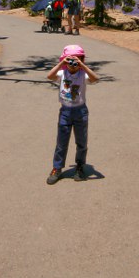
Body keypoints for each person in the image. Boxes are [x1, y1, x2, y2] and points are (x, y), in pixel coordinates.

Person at [46, 44, 99, 185]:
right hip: (65, 111)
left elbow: (95, 78)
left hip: (80, 111)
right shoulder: (62, 73)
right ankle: (57, 168)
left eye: (76, 60)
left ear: (81, 60)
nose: (72, 64)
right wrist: (61, 64)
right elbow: (49, 76)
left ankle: (80, 166)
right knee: (61, 142)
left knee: (81, 141)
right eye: (70, 60)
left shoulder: (83, 74)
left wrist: (82, 66)